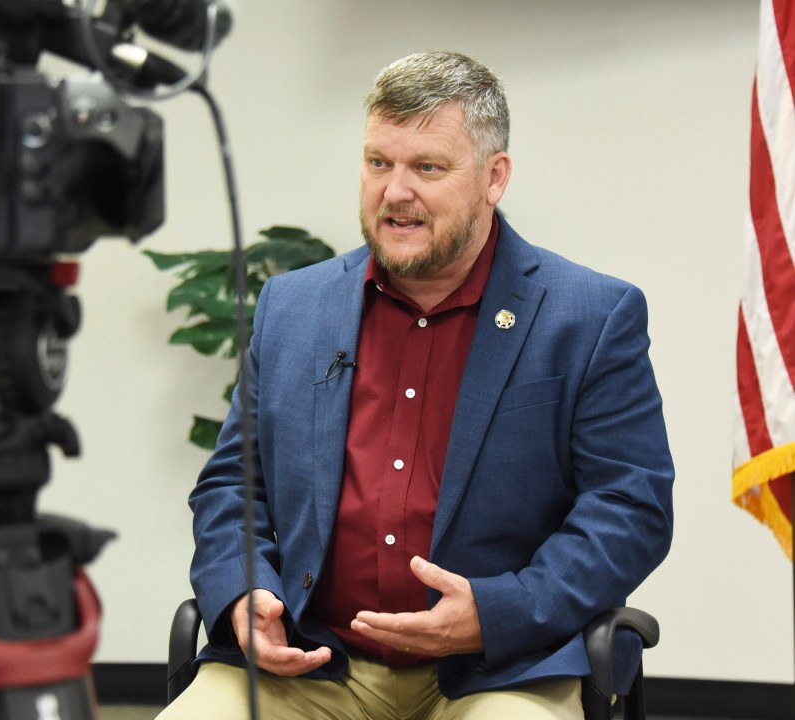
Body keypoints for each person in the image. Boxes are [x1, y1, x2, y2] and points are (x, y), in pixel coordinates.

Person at [158, 50, 673, 720]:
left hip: (499, 670)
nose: (395, 192)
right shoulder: (292, 307)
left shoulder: (590, 317)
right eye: (379, 163)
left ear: (494, 177)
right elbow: (233, 485)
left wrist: (498, 613)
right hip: (313, 662)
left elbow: (629, 508)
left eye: (427, 167)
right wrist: (241, 591)